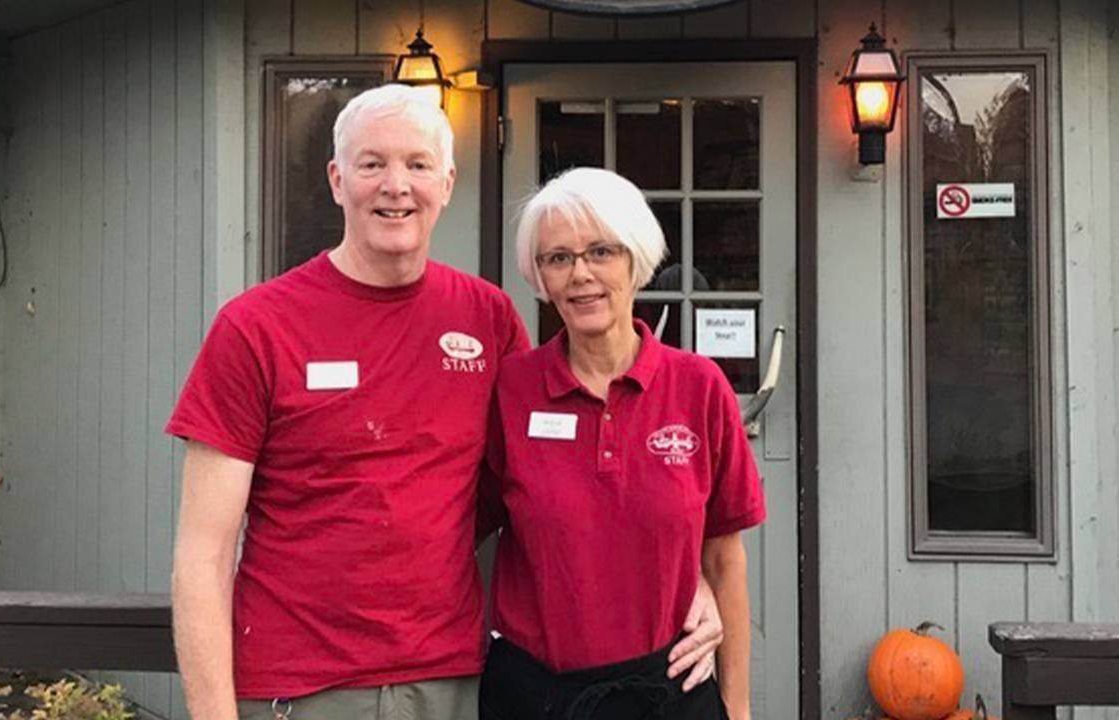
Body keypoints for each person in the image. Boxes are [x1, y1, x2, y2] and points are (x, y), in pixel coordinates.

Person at [166, 85, 722, 720]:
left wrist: (688, 579)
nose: (395, 185)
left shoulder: (486, 318)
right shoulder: (256, 328)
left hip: (454, 682)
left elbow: (560, 487)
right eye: (372, 163)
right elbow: (202, 553)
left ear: (448, 182)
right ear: (337, 179)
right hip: (299, 688)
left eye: (417, 164)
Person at [478, 167, 766, 720]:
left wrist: (738, 708)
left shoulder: (698, 386)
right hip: (536, 697)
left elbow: (725, 560)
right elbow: (462, 526)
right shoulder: (510, 390)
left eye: (600, 252)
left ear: (636, 258)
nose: (580, 274)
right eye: (557, 258)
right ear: (540, 277)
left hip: (667, 690)